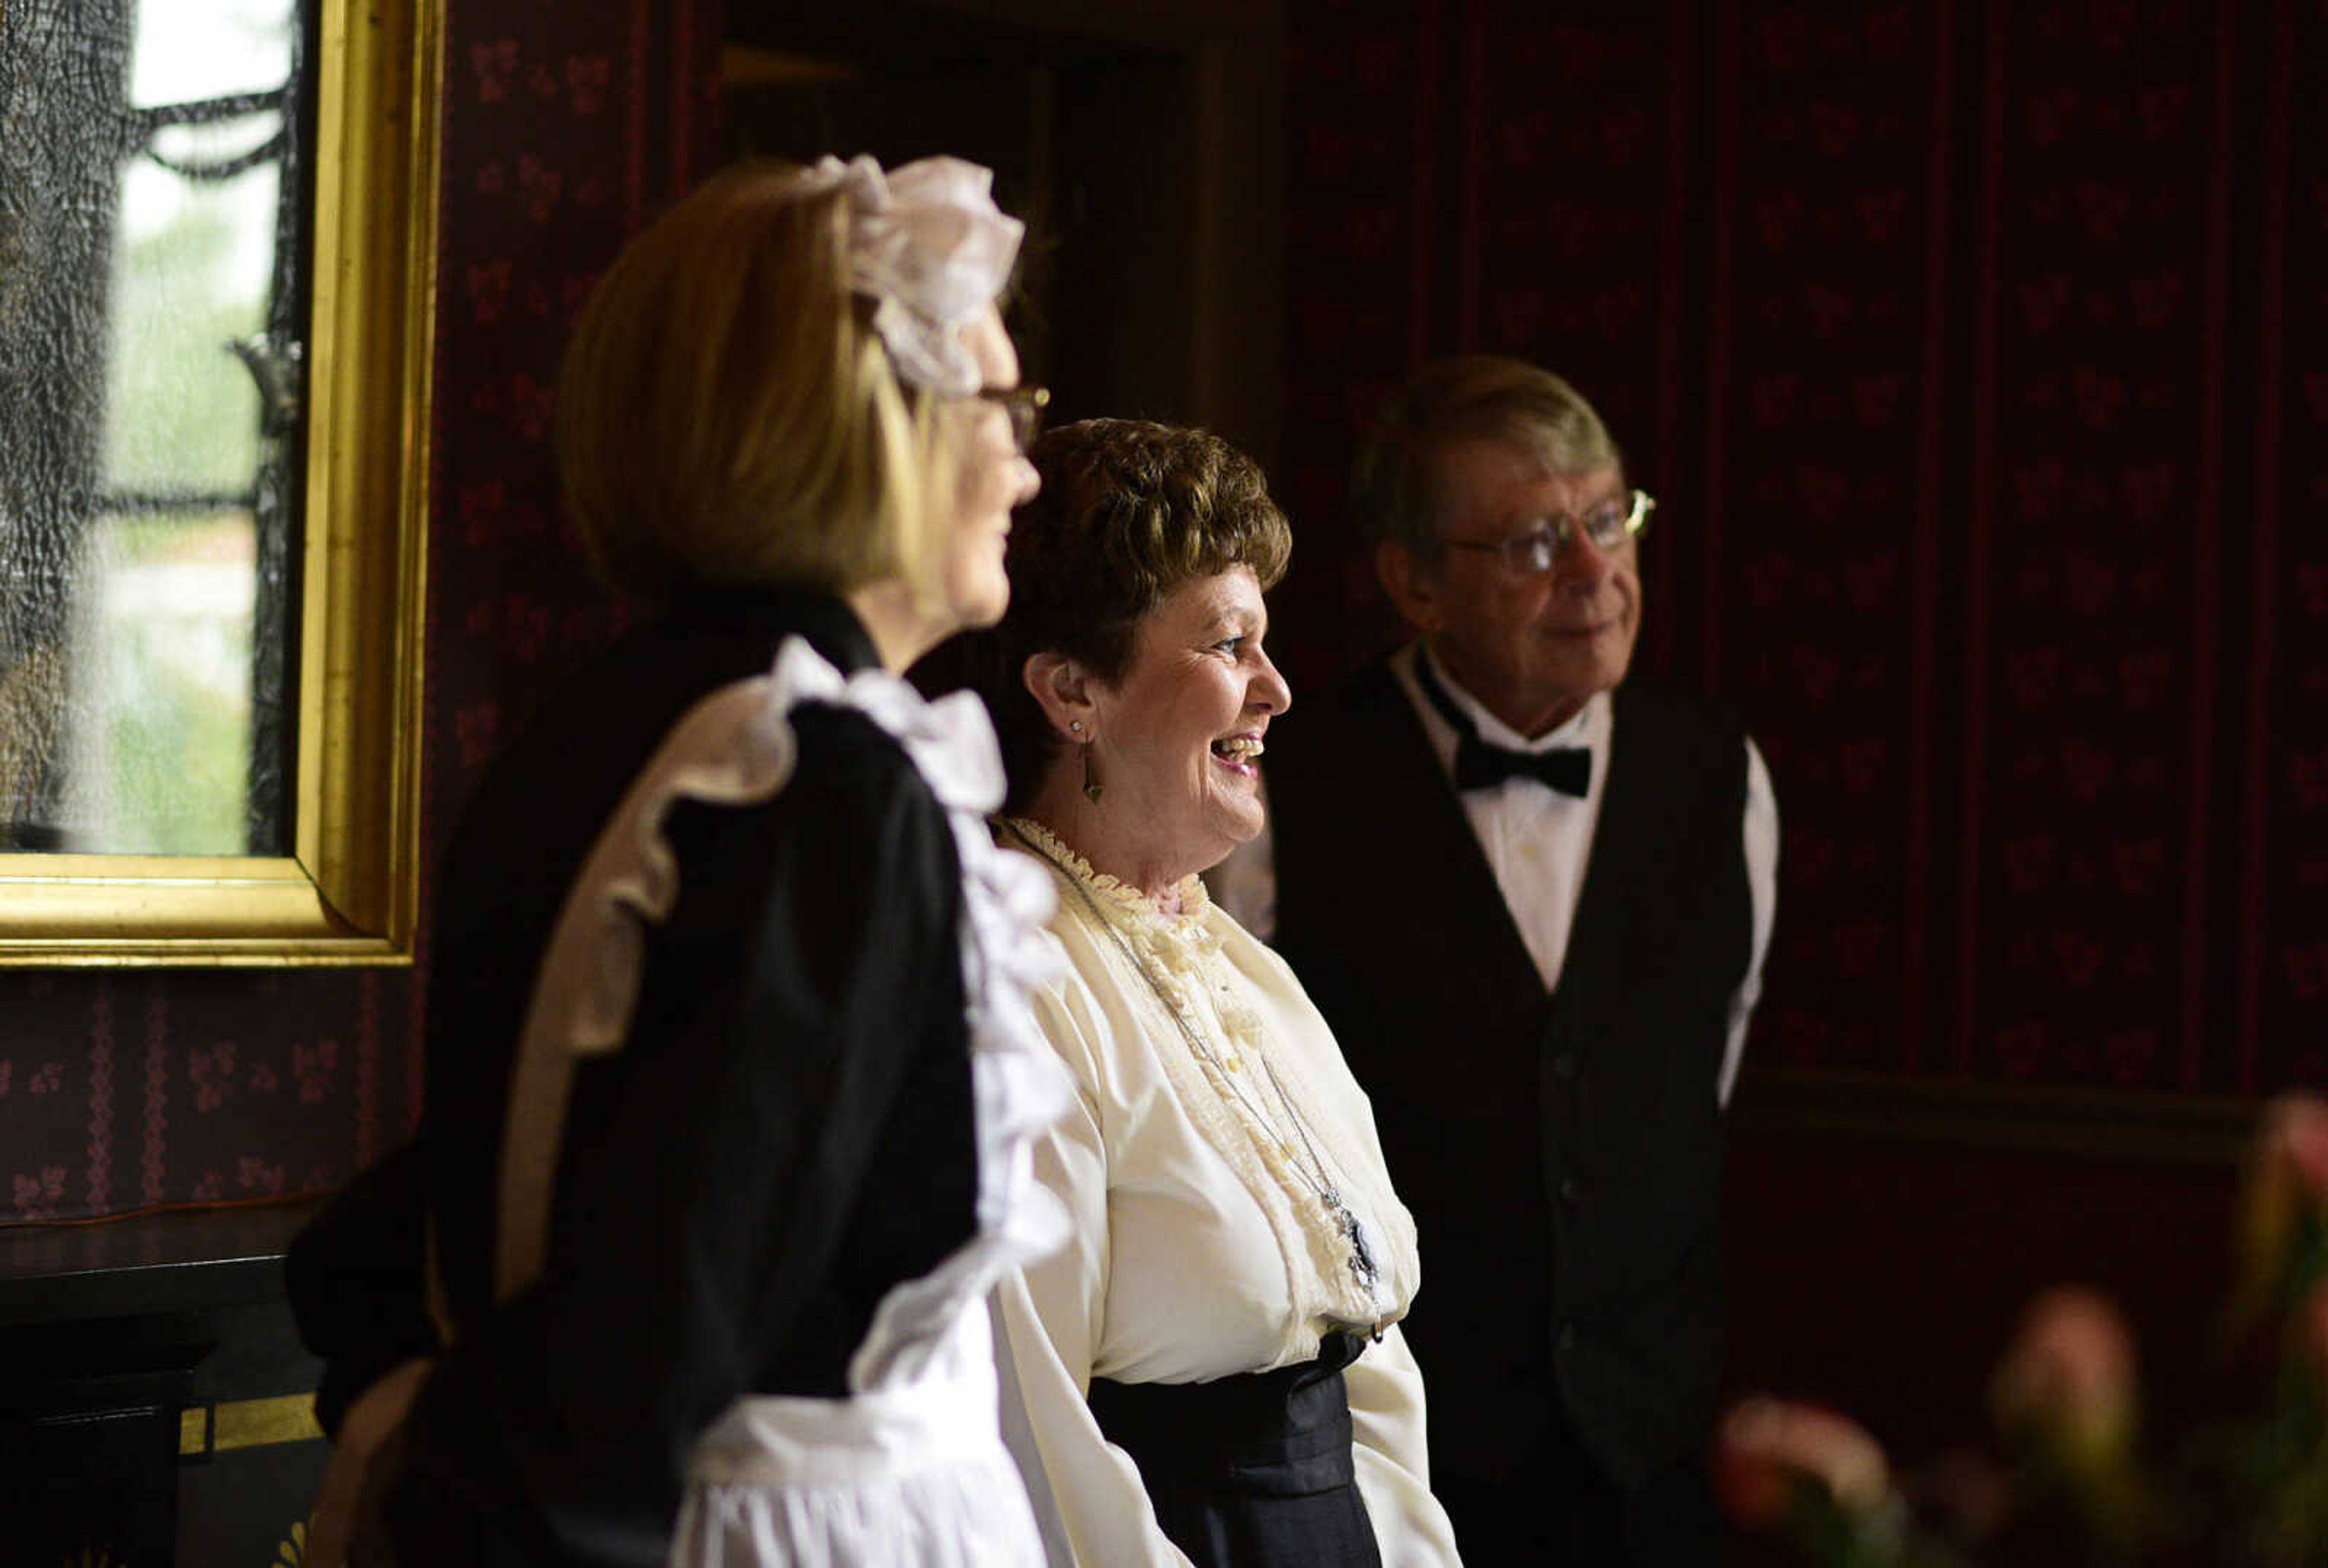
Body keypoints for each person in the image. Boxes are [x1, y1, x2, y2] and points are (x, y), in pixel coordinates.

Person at [284, 154, 1072, 1567]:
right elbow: (652, 1327)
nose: (1026, 457)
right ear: (868, 416)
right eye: (1000, 404)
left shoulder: (607, 731)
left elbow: (430, 1225)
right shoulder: (818, 784)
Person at [1260, 357, 1780, 1564]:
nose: (1597, 572)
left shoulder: (1719, 774)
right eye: (1538, 542)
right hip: (1400, 1459)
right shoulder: (1292, 784)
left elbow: (1699, 1080)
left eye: (1608, 520)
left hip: (1655, 1464)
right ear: (1416, 582)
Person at [968, 418, 1463, 1567]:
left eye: (1267, 642)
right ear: (1071, 691)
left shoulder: (1244, 969)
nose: (1277, 690)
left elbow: (1370, 1366)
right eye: (1229, 645)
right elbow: (1031, 1433)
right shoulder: (1012, 976)